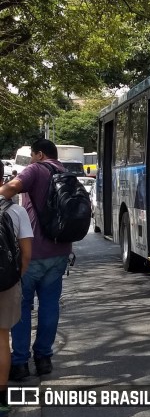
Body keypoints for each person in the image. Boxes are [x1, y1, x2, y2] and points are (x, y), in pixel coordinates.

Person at [0, 139, 71, 381]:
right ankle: (43, 359)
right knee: (49, 305)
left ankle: (19, 363)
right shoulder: (64, 171)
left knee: (22, 307)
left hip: (33, 252)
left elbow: (9, 190)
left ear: (39, 154)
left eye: (31, 155)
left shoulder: (36, 169)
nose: (30, 159)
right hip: (60, 251)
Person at [0, 161, 33, 416]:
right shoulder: (16, 211)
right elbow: (26, 254)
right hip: (6, 282)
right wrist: (16, 278)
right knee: (2, 339)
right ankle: (2, 399)